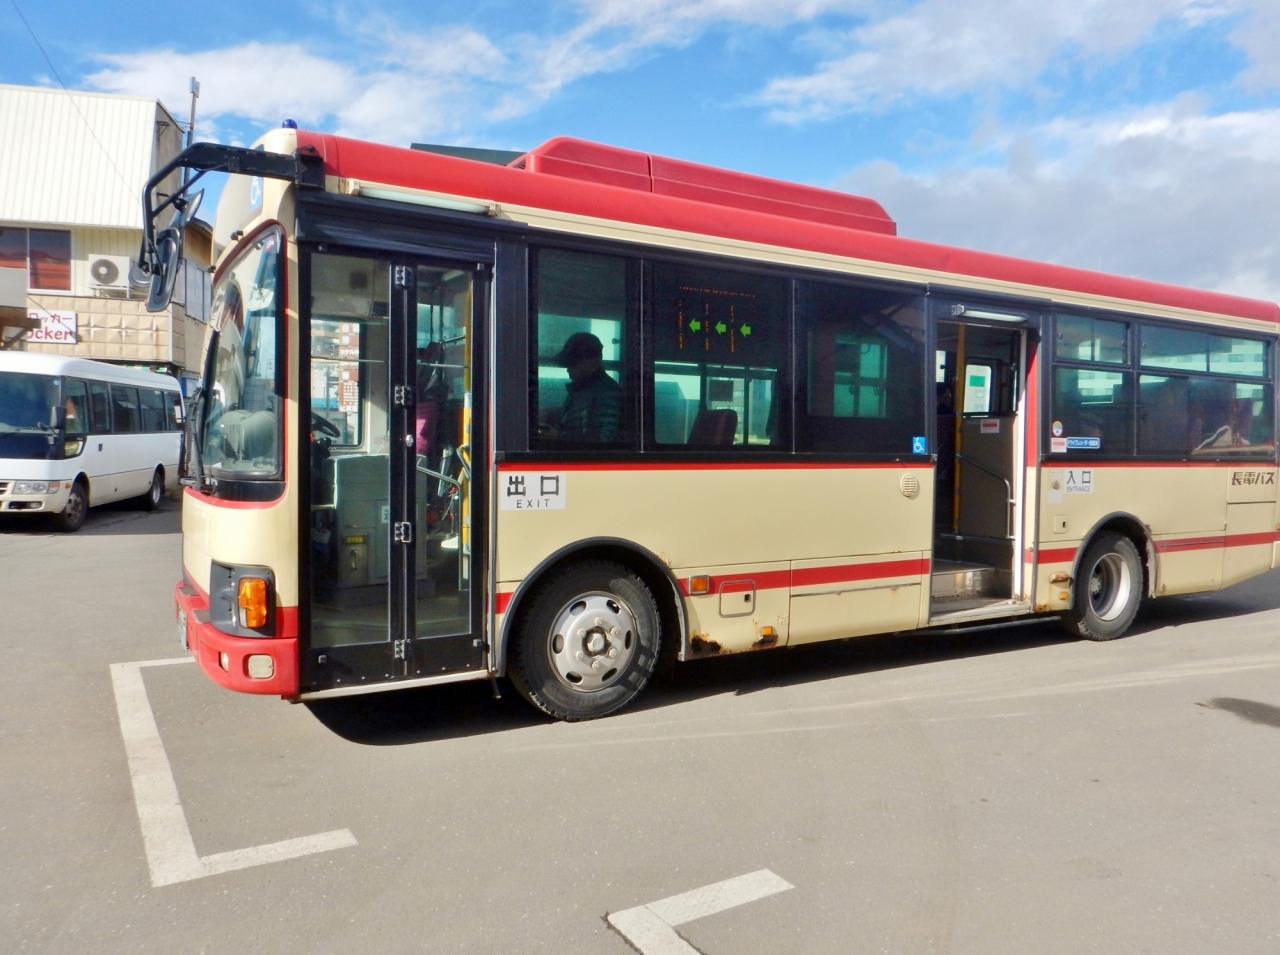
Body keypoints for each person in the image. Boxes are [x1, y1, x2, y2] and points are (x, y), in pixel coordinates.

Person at [551, 332, 622, 443]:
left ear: (592, 363)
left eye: (573, 364)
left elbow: (603, 441)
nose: (568, 369)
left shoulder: (608, 393)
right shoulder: (580, 389)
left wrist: (559, 437)